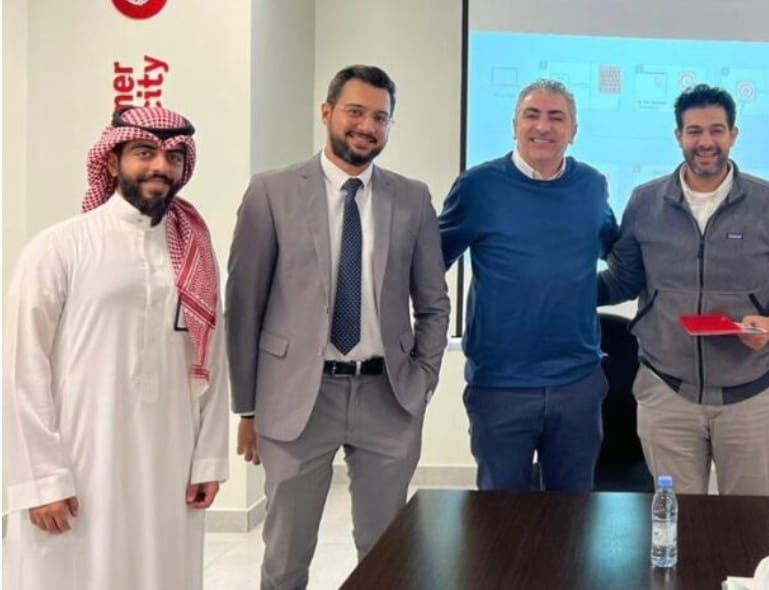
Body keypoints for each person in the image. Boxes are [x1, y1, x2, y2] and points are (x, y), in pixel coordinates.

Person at [226, 65, 449, 587]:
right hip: (297, 397)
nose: (367, 126)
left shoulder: (411, 198)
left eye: (380, 117)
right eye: (355, 111)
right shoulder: (272, 192)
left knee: (386, 554)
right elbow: (244, 304)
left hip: (387, 395)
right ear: (327, 112)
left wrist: (423, 379)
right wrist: (248, 408)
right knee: (286, 558)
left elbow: (434, 303)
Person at [3, 106, 229, 589]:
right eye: (144, 153)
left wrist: (208, 458)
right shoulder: (59, 247)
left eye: (173, 157)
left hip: (168, 462)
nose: (160, 167)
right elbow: (22, 369)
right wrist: (41, 479)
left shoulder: (194, 256)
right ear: (111, 161)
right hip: (80, 461)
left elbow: (212, 361)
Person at [598, 84, 769, 495]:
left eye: (716, 130)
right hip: (666, 389)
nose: (706, 142)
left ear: (733, 134)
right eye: (694, 131)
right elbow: (623, 280)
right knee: (676, 517)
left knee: (747, 519)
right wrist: (558, 287)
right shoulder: (646, 202)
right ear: (678, 136)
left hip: (753, 393)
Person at [439, 79, 618, 492]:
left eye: (556, 117)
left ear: (573, 130)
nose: (543, 126)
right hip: (500, 385)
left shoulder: (591, 185)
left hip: (578, 383)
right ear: (514, 125)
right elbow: (430, 264)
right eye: (532, 115)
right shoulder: (477, 187)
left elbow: (619, 253)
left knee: (573, 513)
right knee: (501, 516)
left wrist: (587, 293)